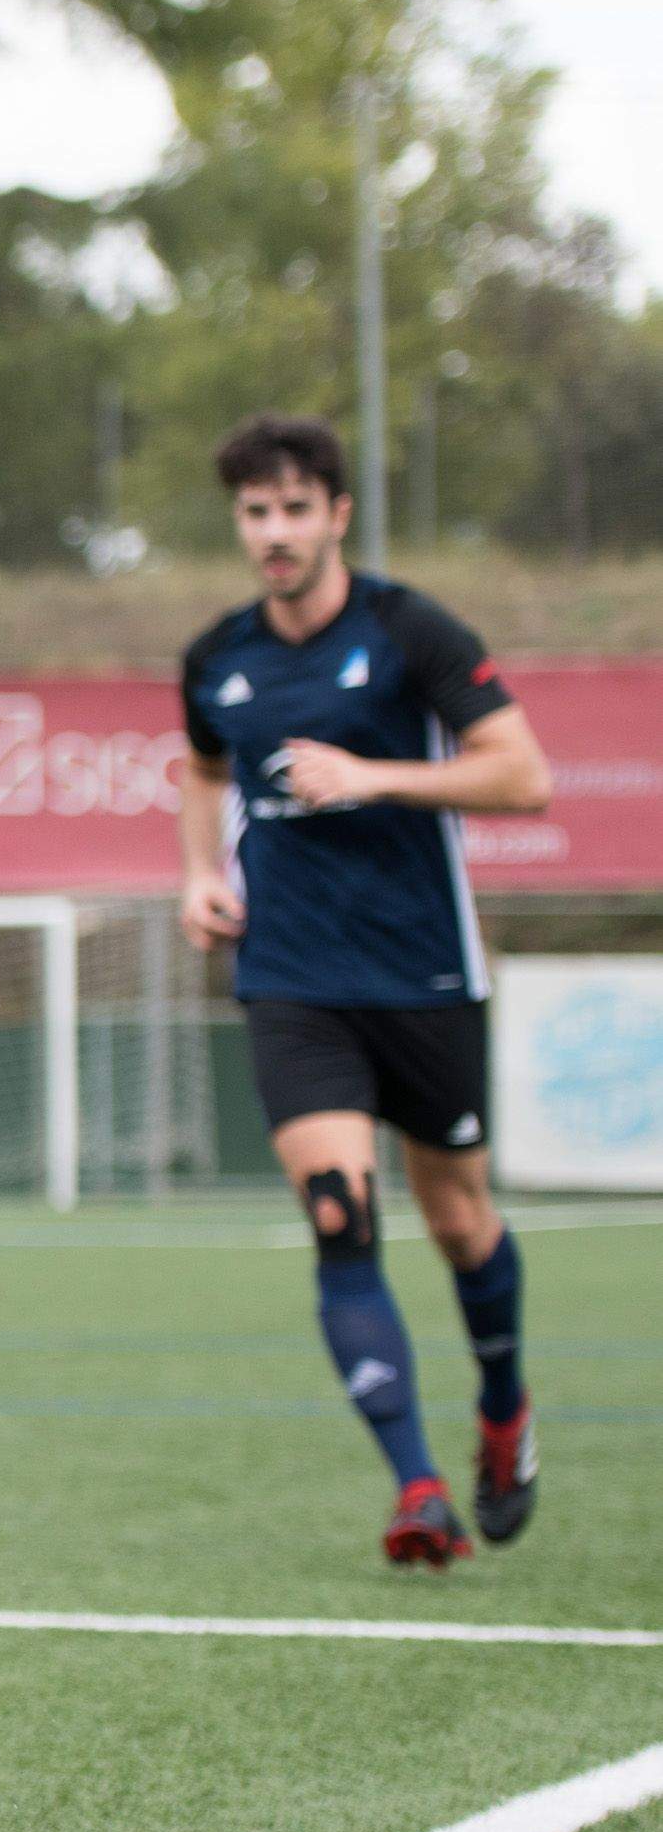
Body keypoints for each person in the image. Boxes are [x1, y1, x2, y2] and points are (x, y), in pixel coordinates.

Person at [176, 412, 552, 1569]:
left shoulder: (408, 630)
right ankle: (418, 1488)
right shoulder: (219, 656)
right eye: (256, 511)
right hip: (292, 978)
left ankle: (503, 1407)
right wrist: (199, 872)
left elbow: (524, 776)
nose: (275, 532)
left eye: (296, 508)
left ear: (337, 513)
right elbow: (200, 767)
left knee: (455, 1218)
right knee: (341, 1214)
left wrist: (371, 776)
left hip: (423, 973)